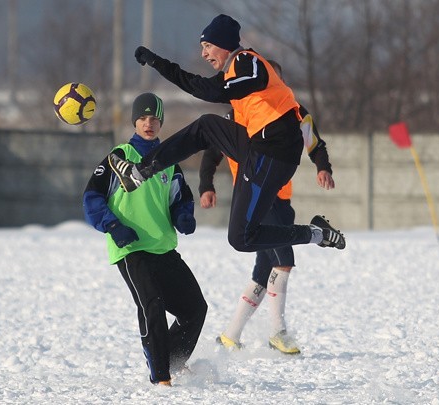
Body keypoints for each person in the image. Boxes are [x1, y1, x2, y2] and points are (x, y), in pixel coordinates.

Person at [107, 14, 345, 254]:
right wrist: (157, 62)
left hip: (276, 152)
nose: (204, 54)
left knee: (242, 239)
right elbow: (198, 86)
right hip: (257, 148)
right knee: (207, 126)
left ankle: (316, 234)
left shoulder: (247, 60)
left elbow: (251, 83)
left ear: (224, 44)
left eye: (207, 46)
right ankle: (140, 171)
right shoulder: (230, 73)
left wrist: (322, 164)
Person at [200, 61, 334, 353]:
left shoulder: (295, 111)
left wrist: (323, 167)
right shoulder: (238, 112)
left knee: (263, 269)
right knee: (283, 259)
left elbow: (314, 142)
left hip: (282, 198)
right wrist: (206, 185)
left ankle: (230, 335)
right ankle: (278, 332)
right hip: (256, 194)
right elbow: (212, 152)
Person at [83, 93, 207, 387]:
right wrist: (112, 225)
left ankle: (174, 361)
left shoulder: (170, 162)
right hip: (131, 248)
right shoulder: (119, 157)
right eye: (142, 118)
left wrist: (183, 215)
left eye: (154, 118)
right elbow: (91, 198)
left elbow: (181, 198)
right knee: (152, 304)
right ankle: (161, 376)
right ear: (134, 122)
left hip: (162, 247)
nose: (148, 123)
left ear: (161, 122)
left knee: (195, 309)